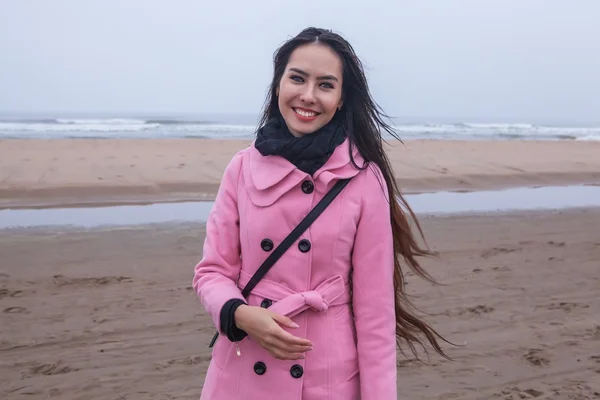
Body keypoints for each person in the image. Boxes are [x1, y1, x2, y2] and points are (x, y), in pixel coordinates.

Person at [192, 27, 448, 400]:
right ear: (278, 85)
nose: (308, 96)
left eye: (326, 85)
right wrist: (240, 314)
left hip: (326, 377)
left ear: (342, 98)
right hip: (243, 368)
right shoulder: (242, 168)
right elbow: (212, 271)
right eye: (297, 78)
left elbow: (375, 315)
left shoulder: (363, 179)